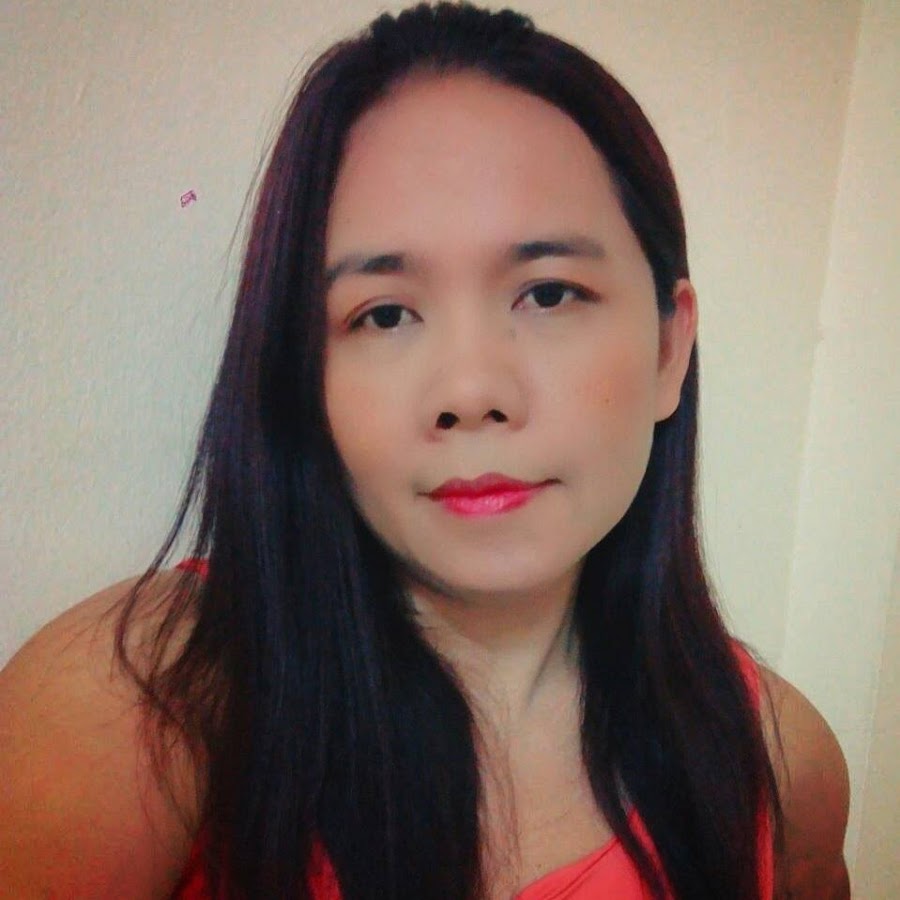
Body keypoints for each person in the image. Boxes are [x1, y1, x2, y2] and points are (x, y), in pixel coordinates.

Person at [0, 3, 850, 898]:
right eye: (384, 314)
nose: (470, 391)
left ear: (669, 350)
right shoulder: (134, 705)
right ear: (304, 369)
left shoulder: (781, 764)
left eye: (550, 293)